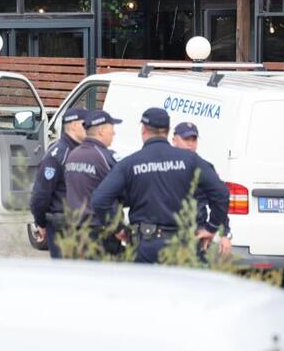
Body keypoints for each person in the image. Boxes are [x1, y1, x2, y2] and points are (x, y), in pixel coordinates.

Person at [90, 108, 229, 264]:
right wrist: (212, 227)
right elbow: (221, 193)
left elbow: (100, 199)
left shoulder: (129, 163)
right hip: (183, 245)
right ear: (168, 131)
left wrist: (118, 228)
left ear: (143, 130)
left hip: (144, 246)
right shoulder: (191, 161)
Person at [63, 110, 123, 254]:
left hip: (76, 230)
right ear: (101, 131)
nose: (114, 133)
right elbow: (121, 193)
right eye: (112, 128)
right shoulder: (105, 157)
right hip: (100, 231)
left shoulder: (73, 155)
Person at [30, 108, 87, 258]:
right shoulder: (57, 155)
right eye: (85, 124)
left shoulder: (86, 152)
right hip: (63, 228)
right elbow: (40, 195)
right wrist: (41, 223)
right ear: (73, 125)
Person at [172, 121, 233, 257]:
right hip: (168, 233)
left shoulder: (205, 168)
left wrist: (223, 233)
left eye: (194, 139)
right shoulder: (165, 164)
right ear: (174, 140)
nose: (190, 143)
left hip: (195, 234)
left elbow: (219, 200)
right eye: (186, 139)